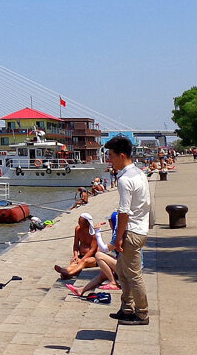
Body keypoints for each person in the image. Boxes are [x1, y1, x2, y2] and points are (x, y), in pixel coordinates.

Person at [106, 136, 151, 326]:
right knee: (123, 272)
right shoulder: (139, 173)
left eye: (112, 156)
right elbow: (147, 203)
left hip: (131, 232)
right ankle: (126, 308)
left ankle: (141, 313)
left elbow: (124, 212)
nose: (110, 160)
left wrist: (118, 238)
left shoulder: (125, 179)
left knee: (133, 274)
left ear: (122, 155)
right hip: (140, 229)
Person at [55, 213, 101, 279]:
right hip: (81, 256)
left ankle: (69, 273)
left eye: (81, 222)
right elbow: (76, 245)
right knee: (73, 262)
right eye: (79, 221)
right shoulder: (78, 229)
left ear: (87, 223)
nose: (79, 223)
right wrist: (76, 255)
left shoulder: (93, 234)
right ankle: (66, 271)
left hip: (93, 258)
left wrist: (82, 259)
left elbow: (92, 250)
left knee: (85, 261)